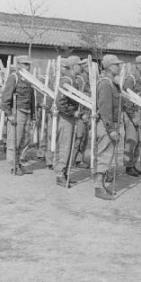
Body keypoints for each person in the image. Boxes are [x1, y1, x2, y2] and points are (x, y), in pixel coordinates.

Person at [94, 54, 123, 200]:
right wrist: (111, 129)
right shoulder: (106, 84)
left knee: (108, 155)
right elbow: (105, 109)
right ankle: (98, 186)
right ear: (109, 67)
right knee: (104, 155)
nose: (119, 67)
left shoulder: (113, 83)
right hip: (107, 125)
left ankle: (102, 184)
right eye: (116, 64)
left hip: (111, 124)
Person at [1, 55, 35, 175]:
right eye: (25, 64)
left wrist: (33, 116)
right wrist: (9, 114)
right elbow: (5, 98)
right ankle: (13, 166)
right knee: (14, 140)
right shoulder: (13, 78)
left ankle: (21, 162)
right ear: (19, 65)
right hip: (17, 112)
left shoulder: (29, 79)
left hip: (27, 112)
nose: (27, 67)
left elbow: (32, 99)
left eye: (28, 65)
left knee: (25, 140)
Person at [54, 56, 81, 187]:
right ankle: (60, 174)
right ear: (73, 66)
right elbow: (60, 102)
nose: (81, 67)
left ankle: (64, 173)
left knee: (69, 145)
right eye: (79, 65)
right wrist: (72, 112)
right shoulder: (67, 80)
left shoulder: (73, 80)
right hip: (65, 117)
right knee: (64, 146)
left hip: (71, 117)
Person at [122, 55, 141, 176]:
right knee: (131, 139)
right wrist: (133, 116)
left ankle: (133, 164)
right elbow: (126, 99)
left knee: (139, 140)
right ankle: (128, 166)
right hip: (131, 113)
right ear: (137, 65)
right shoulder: (131, 79)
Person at [73, 58, 91, 168]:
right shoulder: (80, 79)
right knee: (78, 137)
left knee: (84, 138)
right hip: (80, 113)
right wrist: (80, 113)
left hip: (87, 112)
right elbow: (77, 97)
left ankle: (79, 159)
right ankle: (72, 160)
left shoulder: (89, 79)